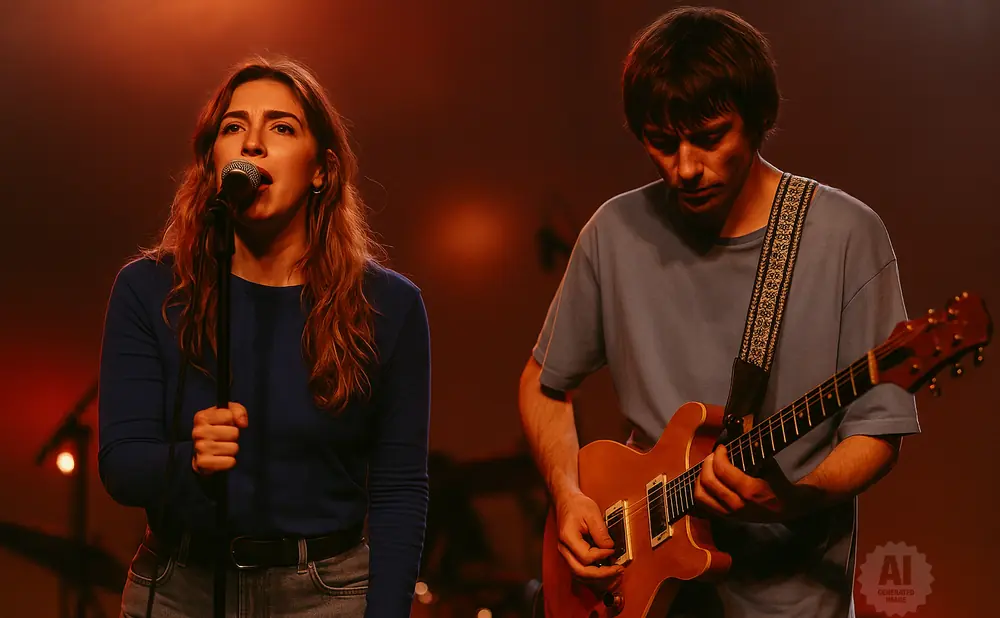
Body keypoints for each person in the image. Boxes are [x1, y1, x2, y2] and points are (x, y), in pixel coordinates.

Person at [519, 7, 919, 617]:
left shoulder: (844, 235)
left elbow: (877, 429)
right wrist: (569, 496)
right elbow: (543, 384)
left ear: (759, 120)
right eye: (661, 142)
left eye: (710, 138)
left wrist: (794, 497)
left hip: (791, 600)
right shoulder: (614, 232)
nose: (685, 167)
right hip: (644, 594)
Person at [98, 55, 430, 617]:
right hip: (181, 587)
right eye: (233, 128)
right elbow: (121, 463)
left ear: (321, 169)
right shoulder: (149, 288)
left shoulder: (389, 305)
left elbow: (400, 489)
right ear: (213, 163)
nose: (252, 143)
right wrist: (189, 461)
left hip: (325, 595)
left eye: (281, 127)